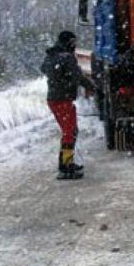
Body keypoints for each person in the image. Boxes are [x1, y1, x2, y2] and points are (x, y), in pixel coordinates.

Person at [40, 30, 95, 180]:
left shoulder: (51, 56)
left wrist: (59, 76)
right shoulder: (67, 58)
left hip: (54, 99)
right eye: (73, 43)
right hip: (62, 101)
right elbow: (78, 77)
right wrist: (94, 88)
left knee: (69, 132)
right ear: (68, 43)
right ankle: (65, 167)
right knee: (69, 133)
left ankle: (66, 163)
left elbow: (43, 68)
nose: (75, 46)